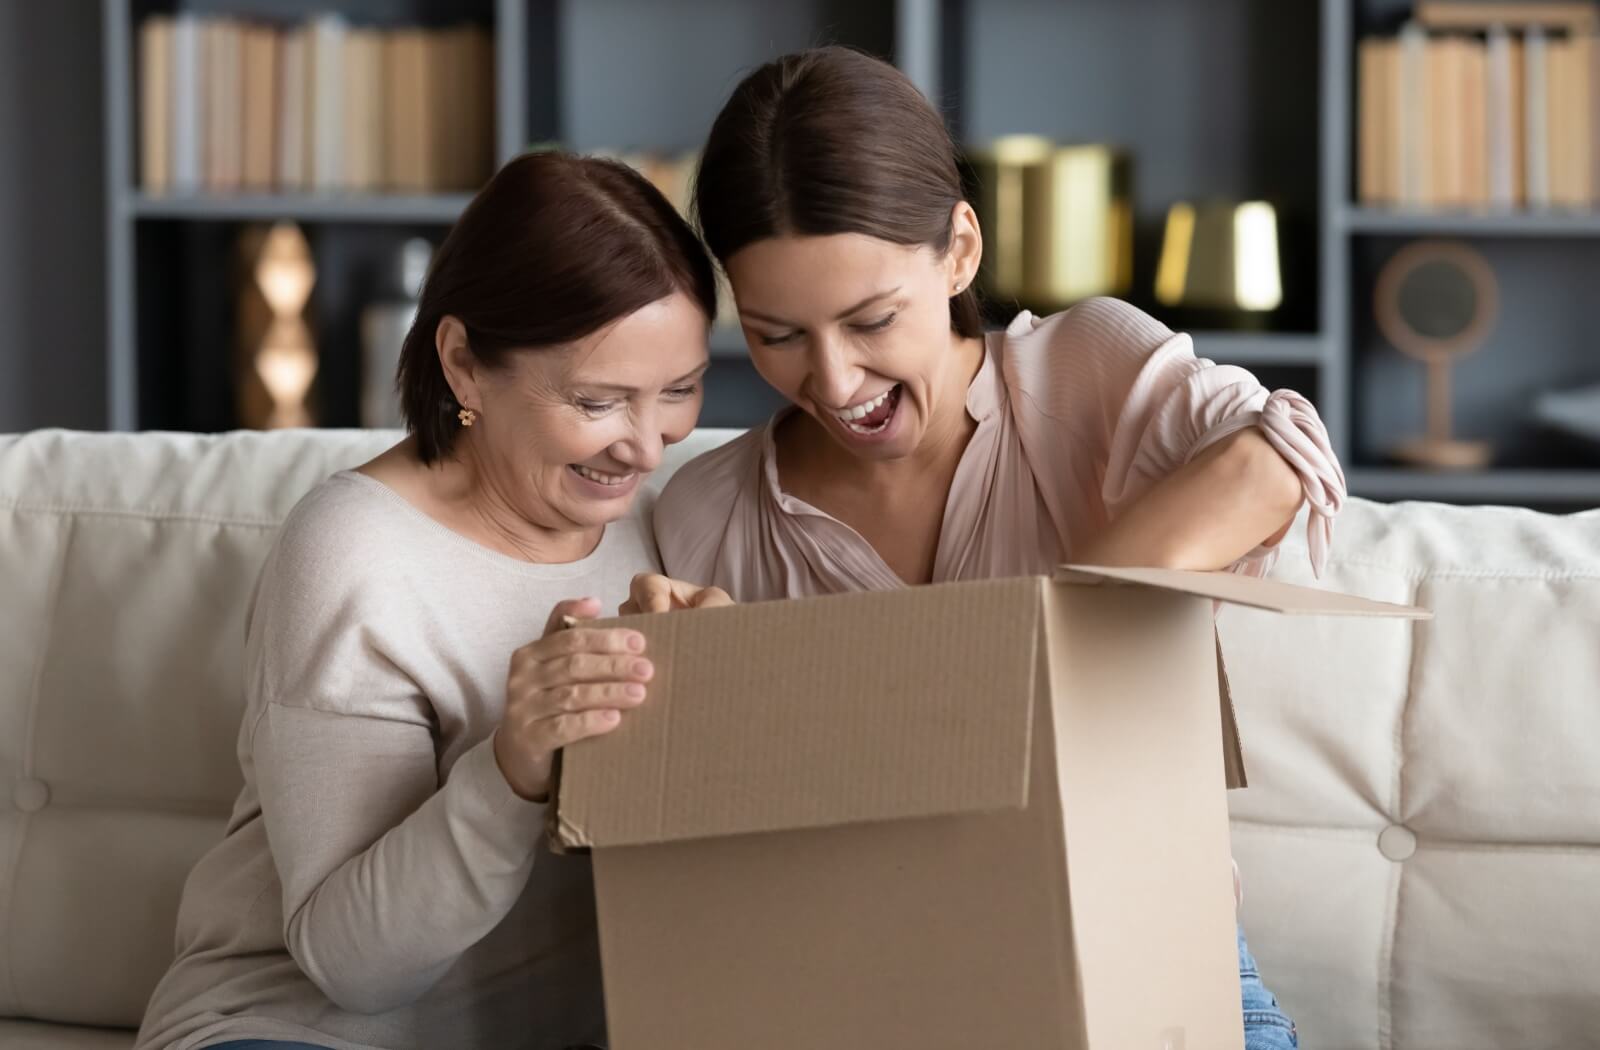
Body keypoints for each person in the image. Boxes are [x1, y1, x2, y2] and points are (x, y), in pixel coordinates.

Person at [651, 46, 1342, 1049]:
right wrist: (714, 700)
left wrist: (1042, 638)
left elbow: (1275, 458)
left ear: (959, 250)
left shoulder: (1082, 372)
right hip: (872, 999)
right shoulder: (709, 514)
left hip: (1156, 967)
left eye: (871, 319)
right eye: (777, 334)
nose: (836, 380)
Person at [135, 150, 727, 1050]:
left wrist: (730, 690)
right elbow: (352, 967)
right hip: (303, 1031)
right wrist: (515, 765)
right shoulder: (353, 552)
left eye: (680, 390)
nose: (646, 447)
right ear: (463, 364)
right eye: (599, 401)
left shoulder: (674, 515)